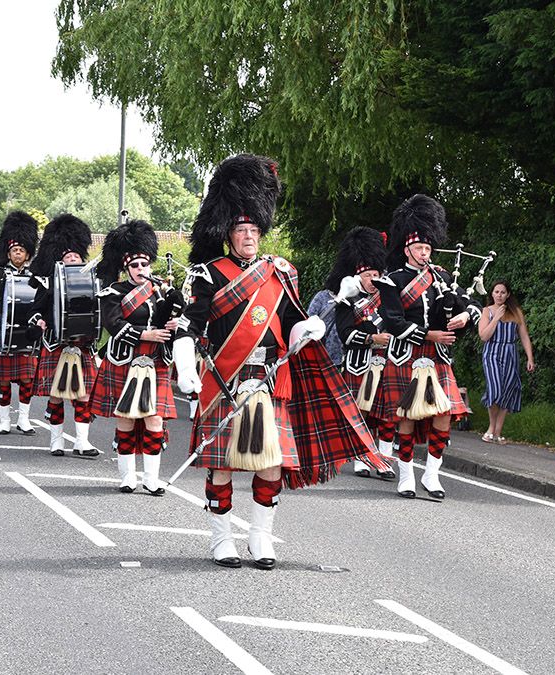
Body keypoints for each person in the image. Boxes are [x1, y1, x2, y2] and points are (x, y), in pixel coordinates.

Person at [173, 154, 389, 569]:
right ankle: (222, 540)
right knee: (223, 465)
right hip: (225, 379)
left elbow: (290, 320)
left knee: (271, 464)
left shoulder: (280, 272)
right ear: (228, 234)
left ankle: (260, 537)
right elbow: (189, 327)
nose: (249, 237)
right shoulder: (207, 274)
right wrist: (185, 370)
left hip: (271, 380)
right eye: (241, 230)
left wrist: (310, 326)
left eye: (254, 229)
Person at [374, 194, 482, 500]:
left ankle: (432, 475)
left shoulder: (443, 277)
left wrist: (465, 314)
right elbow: (392, 320)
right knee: (406, 417)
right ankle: (406, 476)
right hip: (407, 354)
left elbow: (473, 303)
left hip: (438, 358)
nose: (424, 252)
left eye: (428, 248)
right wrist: (428, 335)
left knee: (444, 413)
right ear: (407, 249)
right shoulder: (392, 280)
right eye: (419, 248)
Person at [90, 219, 181, 496]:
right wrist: (145, 335)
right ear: (126, 267)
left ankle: (151, 479)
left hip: (155, 362)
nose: (141, 270)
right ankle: (128, 476)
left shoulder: (159, 292)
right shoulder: (113, 292)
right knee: (127, 420)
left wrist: (174, 322)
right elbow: (113, 324)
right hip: (125, 361)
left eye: (144, 264)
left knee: (154, 420)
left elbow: (168, 321)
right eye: (135, 266)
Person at [329, 226, 396, 480]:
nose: (372, 279)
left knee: (388, 415)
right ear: (358, 276)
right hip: (360, 363)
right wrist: (372, 338)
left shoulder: (390, 296)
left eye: (376, 274)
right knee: (363, 414)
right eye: (368, 275)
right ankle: (361, 458)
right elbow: (345, 334)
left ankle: (385, 459)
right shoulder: (347, 299)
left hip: (388, 361)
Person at [30, 214, 99, 456]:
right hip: (56, 342)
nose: (72, 257)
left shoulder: (94, 281)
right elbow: (34, 310)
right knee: (57, 395)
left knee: (84, 395)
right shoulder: (49, 283)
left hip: (82, 344)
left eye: (76, 255)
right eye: (67, 255)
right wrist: (38, 320)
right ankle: (56, 441)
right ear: (60, 259)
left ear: (82, 258)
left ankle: (82, 442)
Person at [0, 212, 42, 434]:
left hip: (27, 332)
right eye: (14, 250)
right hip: (5, 332)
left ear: (27, 254)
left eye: (21, 250)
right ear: (8, 253)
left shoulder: (35, 276)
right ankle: (4, 420)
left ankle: (24, 419)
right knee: (4, 382)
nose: (18, 253)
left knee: (27, 379)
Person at [477, 280, 534, 444]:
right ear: (492, 294)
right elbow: (483, 336)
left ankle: (498, 431)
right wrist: (496, 319)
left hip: (510, 353)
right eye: (496, 292)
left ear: (508, 294)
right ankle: (491, 428)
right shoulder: (487, 311)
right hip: (492, 353)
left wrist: (530, 357)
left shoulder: (516, 312)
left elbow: (524, 336)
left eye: (503, 292)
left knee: (508, 390)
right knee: (495, 389)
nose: (499, 295)